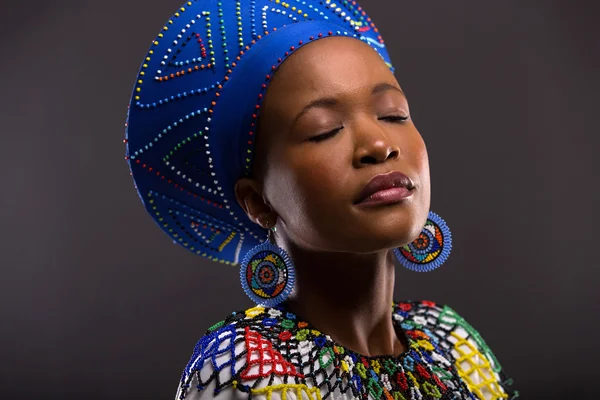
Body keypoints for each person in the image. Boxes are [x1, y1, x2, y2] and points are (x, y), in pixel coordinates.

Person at [124, 1, 518, 399]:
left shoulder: (452, 343)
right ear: (258, 201)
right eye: (324, 130)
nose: (379, 145)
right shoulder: (248, 370)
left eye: (393, 114)